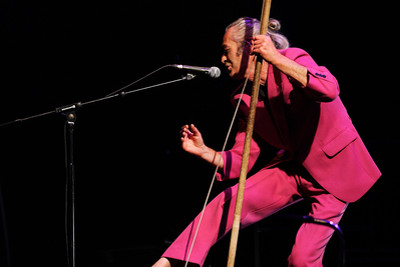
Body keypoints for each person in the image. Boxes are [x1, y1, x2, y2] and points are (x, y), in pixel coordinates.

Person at [152, 17, 381, 267]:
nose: (222, 59)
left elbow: (328, 89)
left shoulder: (292, 57)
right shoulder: (242, 96)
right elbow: (241, 159)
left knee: (301, 260)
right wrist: (205, 152)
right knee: (226, 202)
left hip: (336, 170)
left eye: (226, 50)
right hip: (292, 168)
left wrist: (276, 58)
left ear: (249, 47)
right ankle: (168, 263)